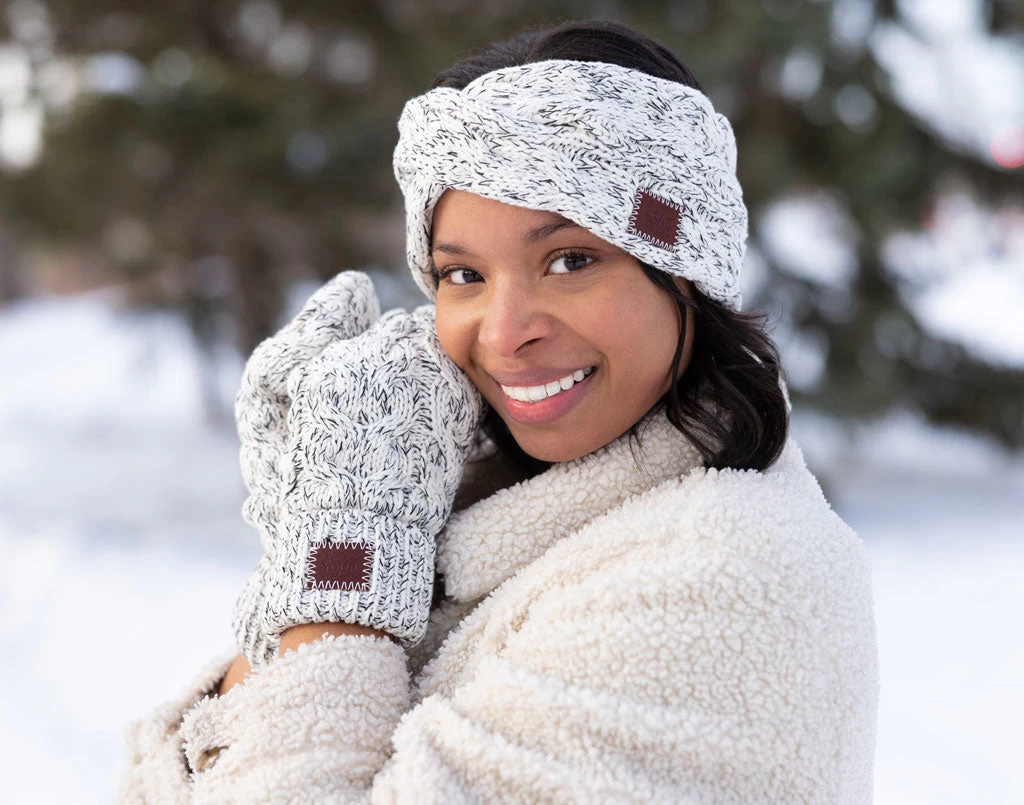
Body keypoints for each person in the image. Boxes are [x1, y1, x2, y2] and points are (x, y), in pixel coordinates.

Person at [116, 18, 879, 804]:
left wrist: (343, 552)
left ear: (685, 269)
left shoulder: (721, 582)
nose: (507, 333)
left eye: (571, 260)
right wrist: (316, 539)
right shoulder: (480, 515)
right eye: (463, 276)